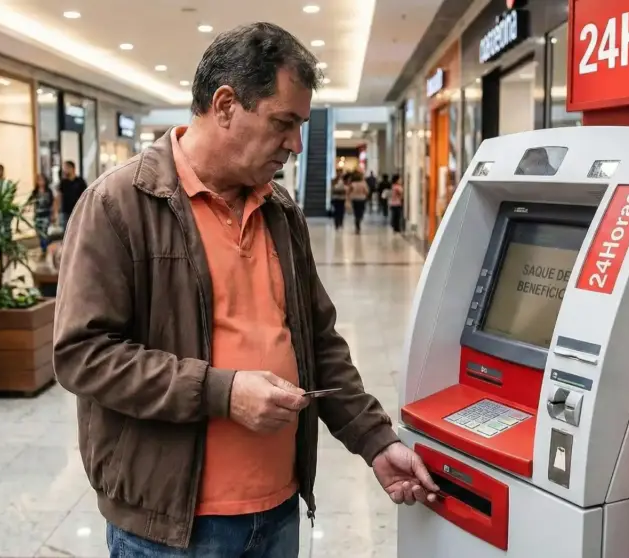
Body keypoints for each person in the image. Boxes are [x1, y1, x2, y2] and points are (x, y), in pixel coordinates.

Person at [53, 22, 436, 558]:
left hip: (278, 512)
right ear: (226, 104)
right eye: (284, 122)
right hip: (171, 527)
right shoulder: (119, 205)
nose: (296, 144)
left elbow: (317, 343)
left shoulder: (280, 210)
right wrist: (222, 392)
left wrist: (375, 440)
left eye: (302, 125)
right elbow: (83, 356)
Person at [26, 173, 56, 257]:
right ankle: (47, 244)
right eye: (39, 180)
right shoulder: (35, 191)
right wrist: (26, 208)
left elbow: (53, 202)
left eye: (42, 180)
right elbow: (29, 201)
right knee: (39, 232)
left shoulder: (48, 191)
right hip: (38, 215)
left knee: (44, 232)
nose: (40, 182)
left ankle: (44, 248)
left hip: (46, 215)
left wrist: (53, 214)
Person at [58, 160, 87, 231]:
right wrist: (57, 210)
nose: (64, 170)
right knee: (67, 231)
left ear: (72, 168)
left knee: (78, 230)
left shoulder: (80, 181)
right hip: (66, 211)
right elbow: (59, 196)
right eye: (64, 168)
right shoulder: (63, 182)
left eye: (66, 168)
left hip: (78, 210)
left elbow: (85, 195)